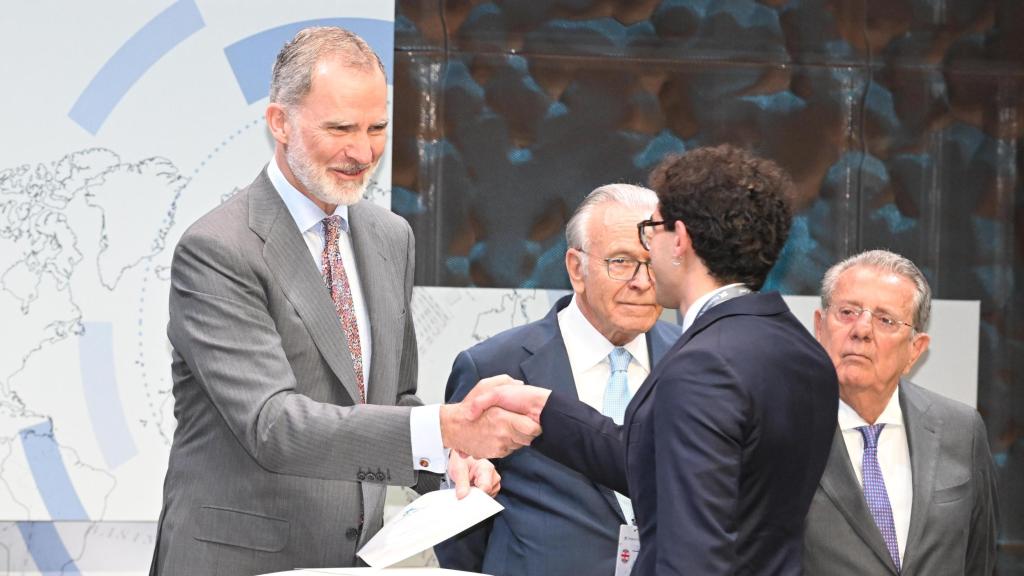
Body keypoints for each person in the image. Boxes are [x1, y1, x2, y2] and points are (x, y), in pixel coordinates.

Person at [150, 27, 539, 575]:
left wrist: (448, 458)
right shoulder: (218, 247)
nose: (363, 151)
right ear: (279, 123)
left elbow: (391, 396)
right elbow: (272, 424)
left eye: (377, 127)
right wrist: (442, 429)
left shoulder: (390, 237)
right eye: (339, 128)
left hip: (354, 560)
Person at [470, 144, 840, 575]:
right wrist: (545, 411)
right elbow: (668, 464)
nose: (648, 246)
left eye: (653, 229)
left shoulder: (703, 364)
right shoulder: (802, 351)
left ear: (679, 240)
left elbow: (691, 555)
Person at [434, 184, 681, 574]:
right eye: (621, 261)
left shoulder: (691, 360)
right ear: (575, 268)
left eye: (655, 263)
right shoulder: (496, 367)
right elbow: (460, 525)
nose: (642, 280)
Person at [804, 249, 999, 575]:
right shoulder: (780, 428)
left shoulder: (961, 430)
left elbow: (980, 561)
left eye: (885, 320)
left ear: (915, 350)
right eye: (848, 312)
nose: (862, 330)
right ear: (819, 328)